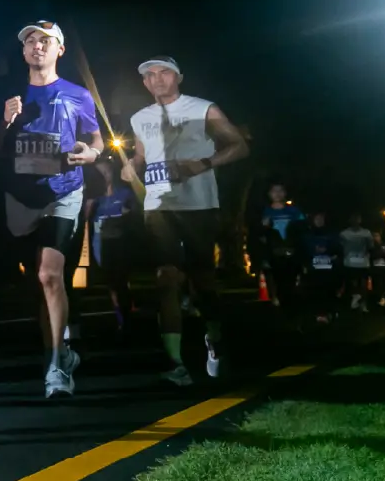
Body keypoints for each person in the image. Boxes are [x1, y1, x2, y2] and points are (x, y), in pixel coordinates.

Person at [0, 20, 102, 399]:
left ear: (59, 50)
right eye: (31, 40)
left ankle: (54, 367)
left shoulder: (78, 95)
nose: (37, 46)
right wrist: (5, 121)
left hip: (63, 191)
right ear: (23, 51)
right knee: (36, 281)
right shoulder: (7, 95)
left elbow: (96, 140)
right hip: (19, 197)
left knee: (51, 274)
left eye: (46, 40)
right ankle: (61, 351)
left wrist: (91, 153)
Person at [121, 56, 250, 385]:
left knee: (202, 280)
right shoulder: (140, 117)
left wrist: (203, 163)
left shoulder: (203, 108)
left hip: (198, 205)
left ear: (178, 77)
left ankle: (214, 339)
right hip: (157, 205)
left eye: (164, 72)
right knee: (166, 277)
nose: (157, 79)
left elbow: (239, 146)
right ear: (145, 83)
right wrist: (132, 166)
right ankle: (175, 362)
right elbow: (141, 156)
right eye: (150, 75)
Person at [84, 157, 140, 334]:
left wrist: (127, 213)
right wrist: (89, 203)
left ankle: (127, 314)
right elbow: (85, 217)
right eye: (99, 173)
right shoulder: (94, 197)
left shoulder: (124, 192)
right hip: (100, 241)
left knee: (120, 278)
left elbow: (135, 211)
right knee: (111, 280)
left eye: (106, 172)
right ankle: (120, 315)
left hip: (120, 240)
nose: (103, 176)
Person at [255, 182, 305, 308]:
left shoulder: (294, 211)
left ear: (285, 193)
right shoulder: (264, 212)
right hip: (273, 255)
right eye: (274, 190)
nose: (277, 194)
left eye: (280, 190)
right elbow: (257, 234)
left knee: (291, 285)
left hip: (291, 254)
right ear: (269, 194)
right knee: (276, 284)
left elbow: (302, 230)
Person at [300, 211, 340, 325]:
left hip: (328, 269)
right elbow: (303, 251)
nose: (319, 221)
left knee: (329, 291)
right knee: (316, 292)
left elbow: (337, 249)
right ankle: (318, 314)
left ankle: (329, 313)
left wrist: (331, 253)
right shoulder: (307, 236)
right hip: (314, 270)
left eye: (321, 219)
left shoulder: (331, 235)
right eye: (317, 219)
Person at [339, 214, 373, 313]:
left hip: (362, 262)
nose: (356, 221)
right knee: (353, 282)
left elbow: (371, 246)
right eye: (354, 219)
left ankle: (362, 303)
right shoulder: (344, 234)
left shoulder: (366, 233)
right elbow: (341, 247)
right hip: (350, 262)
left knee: (362, 283)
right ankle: (356, 300)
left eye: (357, 219)